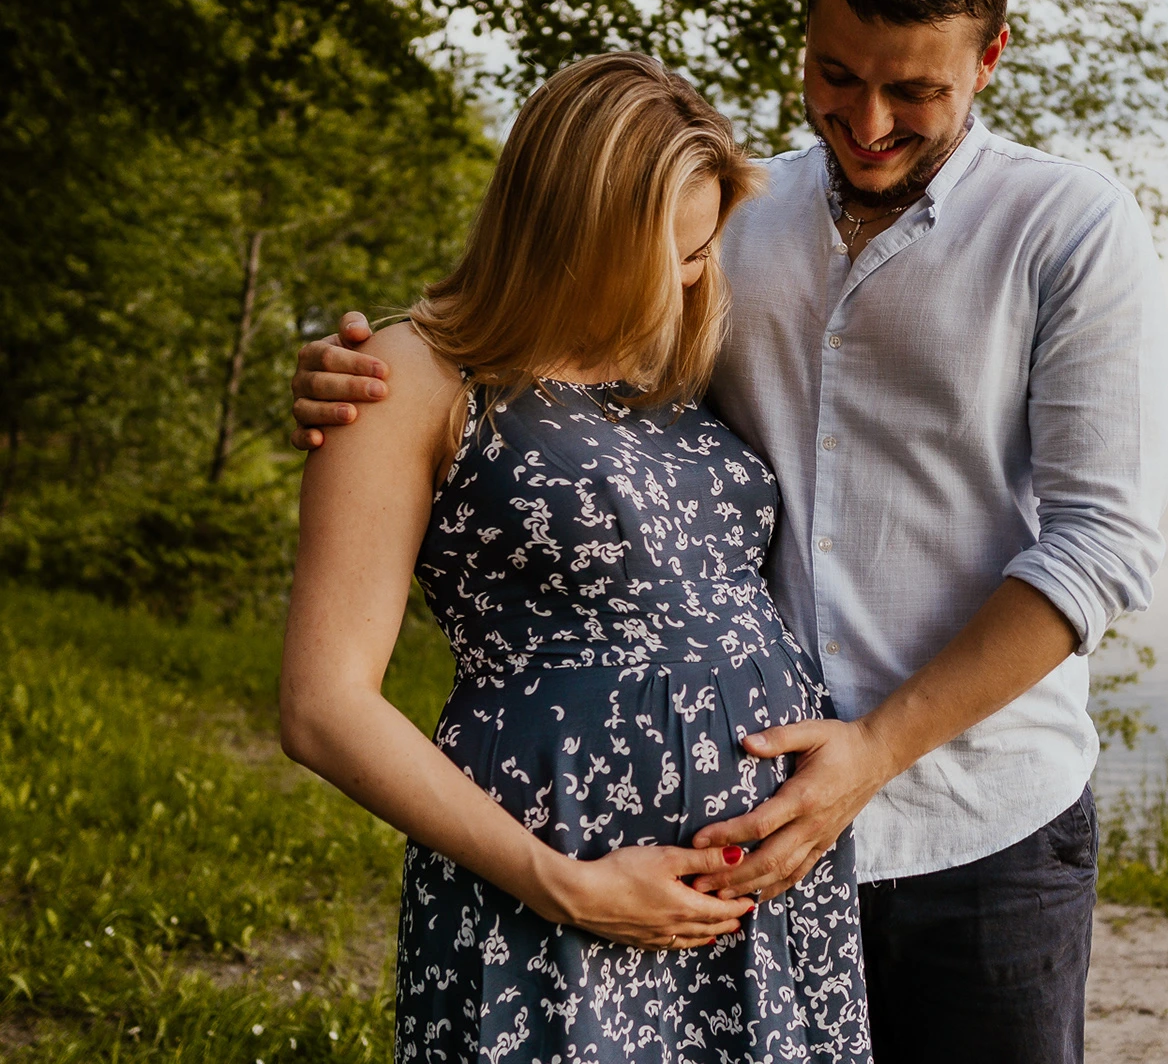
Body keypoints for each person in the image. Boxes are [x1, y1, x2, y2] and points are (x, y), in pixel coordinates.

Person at [293, 0, 1168, 1064]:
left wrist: (873, 750)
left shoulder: (1068, 229)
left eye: (914, 90)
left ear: (990, 58)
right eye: (835, 74)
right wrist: (361, 374)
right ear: (805, 33)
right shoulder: (732, 217)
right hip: (735, 857)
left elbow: (1100, 545)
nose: (868, 121)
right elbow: (542, 362)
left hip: (978, 822)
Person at [279, 53, 870, 1064]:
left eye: (699, 253)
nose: (685, 283)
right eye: (657, 260)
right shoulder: (414, 375)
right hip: (554, 881)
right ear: (565, 233)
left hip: (760, 898)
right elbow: (320, 706)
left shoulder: (668, 364)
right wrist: (566, 885)